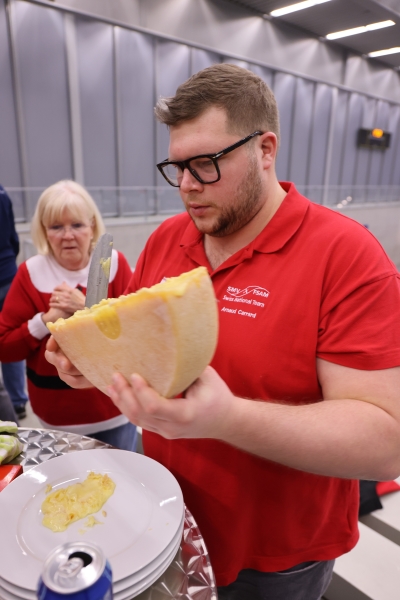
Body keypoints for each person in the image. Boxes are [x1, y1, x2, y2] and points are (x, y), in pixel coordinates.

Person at [45, 65, 400, 600]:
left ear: (265, 150)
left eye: (206, 164)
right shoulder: (167, 239)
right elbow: (142, 364)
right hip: (166, 519)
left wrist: (228, 418)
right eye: (177, 166)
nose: (187, 185)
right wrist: (89, 367)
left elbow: (386, 443)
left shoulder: (346, 257)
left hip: (276, 558)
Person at [0, 180, 137, 451]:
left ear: (92, 226)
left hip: (116, 407)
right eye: (56, 227)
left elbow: (137, 334)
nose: (67, 235)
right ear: (44, 231)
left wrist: (88, 309)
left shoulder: (114, 264)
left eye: (77, 225)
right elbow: (4, 347)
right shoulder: (30, 273)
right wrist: (45, 321)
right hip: (55, 417)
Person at [0, 185, 29, 420]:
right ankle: (18, 401)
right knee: (10, 334)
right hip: (8, 273)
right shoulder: (2, 193)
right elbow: (13, 237)